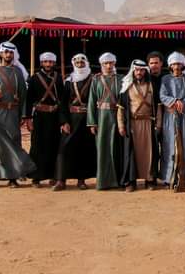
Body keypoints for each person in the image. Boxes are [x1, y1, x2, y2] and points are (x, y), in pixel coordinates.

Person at [0, 42, 36, 188]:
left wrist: (24, 115)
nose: (8, 55)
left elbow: (23, 95)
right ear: (1, 54)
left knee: (13, 142)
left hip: (13, 113)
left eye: (11, 52)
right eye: (6, 52)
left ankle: (13, 177)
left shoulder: (18, 72)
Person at [54, 53, 95, 191]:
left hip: (87, 119)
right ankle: (61, 180)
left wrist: (94, 121)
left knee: (83, 150)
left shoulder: (93, 80)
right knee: (63, 149)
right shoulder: (69, 81)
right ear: (73, 64)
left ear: (86, 63)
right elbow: (63, 103)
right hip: (71, 119)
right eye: (77, 63)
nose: (80, 64)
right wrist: (64, 121)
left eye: (82, 62)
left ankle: (81, 180)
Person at [118, 59, 158, 192]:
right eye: (136, 70)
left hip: (148, 123)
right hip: (132, 124)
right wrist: (121, 126)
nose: (139, 72)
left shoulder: (152, 85)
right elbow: (121, 109)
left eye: (141, 70)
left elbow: (158, 107)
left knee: (149, 153)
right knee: (131, 153)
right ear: (133, 71)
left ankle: (149, 180)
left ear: (145, 71)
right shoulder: (127, 86)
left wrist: (159, 124)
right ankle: (131, 182)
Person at [25, 52, 63, 188]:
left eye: (51, 62)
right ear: (41, 63)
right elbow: (29, 99)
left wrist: (63, 120)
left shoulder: (58, 78)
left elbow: (62, 99)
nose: (48, 64)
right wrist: (28, 118)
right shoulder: (34, 78)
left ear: (54, 63)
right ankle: (36, 177)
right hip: (39, 117)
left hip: (54, 116)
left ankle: (53, 175)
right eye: (46, 62)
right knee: (37, 146)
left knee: (54, 146)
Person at [87, 52, 124, 190]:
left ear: (114, 63)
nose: (108, 66)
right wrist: (92, 122)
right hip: (102, 118)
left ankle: (119, 180)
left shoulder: (121, 79)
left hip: (117, 116)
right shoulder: (96, 80)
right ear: (101, 64)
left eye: (111, 63)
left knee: (117, 148)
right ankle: (103, 182)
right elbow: (91, 101)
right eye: (105, 63)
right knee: (102, 149)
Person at [159, 52, 185, 190]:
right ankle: (168, 177)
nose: (176, 66)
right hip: (170, 116)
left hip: (183, 116)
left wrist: (183, 102)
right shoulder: (165, 79)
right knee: (169, 145)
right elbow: (162, 95)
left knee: (184, 144)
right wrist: (174, 101)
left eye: (178, 64)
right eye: (173, 64)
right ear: (170, 65)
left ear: (182, 65)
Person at [147, 51, 167, 183]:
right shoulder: (145, 79)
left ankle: (166, 175)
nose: (154, 65)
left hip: (167, 117)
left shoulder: (168, 78)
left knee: (167, 147)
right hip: (151, 118)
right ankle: (152, 177)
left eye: (156, 63)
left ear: (161, 64)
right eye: (151, 63)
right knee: (152, 148)